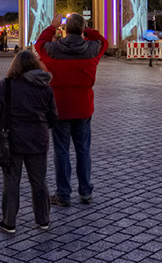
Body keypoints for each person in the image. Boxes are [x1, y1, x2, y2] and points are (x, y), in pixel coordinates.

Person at [34, 13, 108, 207]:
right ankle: (85, 192)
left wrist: (52, 27)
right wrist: (87, 30)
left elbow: (39, 43)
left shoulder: (52, 49)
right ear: (82, 29)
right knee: (83, 150)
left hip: (60, 107)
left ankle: (63, 194)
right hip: (83, 107)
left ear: (65, 30)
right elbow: (103, 41)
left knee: (61, 152)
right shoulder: (92, 49)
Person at [0, 49, 57, 233]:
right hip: (38, 140)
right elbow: (53, 116)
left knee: (11, 181)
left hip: (13, 140)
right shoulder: (45, 87)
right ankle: (43, 220)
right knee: (39, 181)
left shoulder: (7, 85)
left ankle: (9, 222)